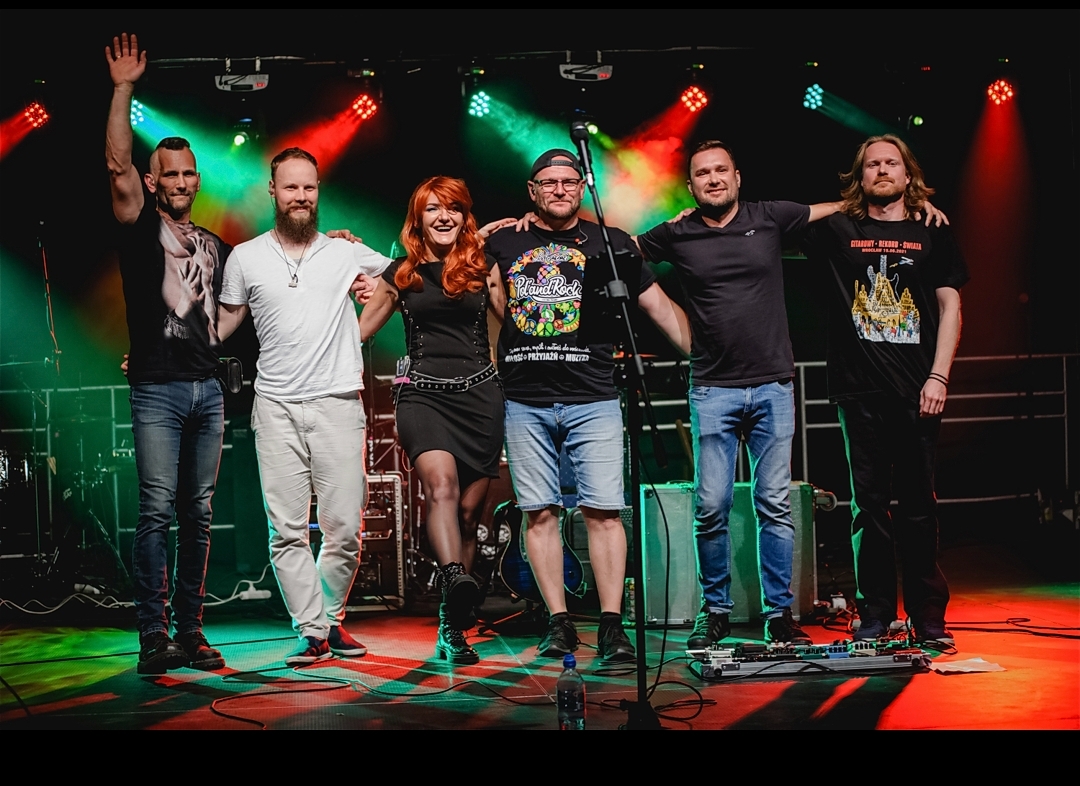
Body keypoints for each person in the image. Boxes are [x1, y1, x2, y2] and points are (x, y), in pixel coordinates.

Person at [636, 140, 852, 648]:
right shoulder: (677, 232)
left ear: (737, 177)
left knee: (773, 503)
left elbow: (837, 208)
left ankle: (779, 615)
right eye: (702, 174)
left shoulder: (769, 216)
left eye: (721, 171)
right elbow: (620, 249)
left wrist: (905, 204)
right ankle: (715, 611)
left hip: (773, 385)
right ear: (690, 186)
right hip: (712, 388)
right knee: (710, 506)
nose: (713, 179)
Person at [486, 149, 690, 663]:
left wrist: (704, 356)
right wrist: (482, 231)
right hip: (525, 399)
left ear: (582, 188)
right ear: (532, 190)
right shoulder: (503, 242)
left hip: (594, 397)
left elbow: (656, 304)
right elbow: (443, 263)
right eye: (548, 182)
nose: (559, 189)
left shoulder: (612, 242)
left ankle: (611, 626)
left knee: (604, 512)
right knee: (539, 513)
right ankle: (557, 622)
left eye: (568, 181)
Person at [217, 147, 391, 665]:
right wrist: (161, 352)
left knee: (345, 528)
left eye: (309, 187)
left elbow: (403, 280)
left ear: (318, 191)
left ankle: (329, 619)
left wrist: (365, 314)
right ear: (272, 192)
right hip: (275, 407)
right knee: (287, 531)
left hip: (338, 402)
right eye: (291, 187)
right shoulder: (245, 256)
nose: (301, 196)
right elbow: (222, 324)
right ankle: (313, 631)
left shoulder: (345, 252)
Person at [801, 135, 967, 650]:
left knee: (920, 506)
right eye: (871, 164)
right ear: (860, 175)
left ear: (908, 173)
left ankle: (928, 616)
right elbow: (782, 221)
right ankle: (874, 613)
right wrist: (845, 203)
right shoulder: (839, 229)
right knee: (867, 508)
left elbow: (951, 307)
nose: (881, 170)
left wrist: (939, 376)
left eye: (891, 163)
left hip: (919, 390)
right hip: (858, 390)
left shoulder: (932, 230)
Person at [106, 32, 228, 674]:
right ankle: (153, 636)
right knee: (156, 510)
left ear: (197, 179)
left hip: (209, 391)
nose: (179, 181)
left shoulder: (215, 245)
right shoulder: (139, 227)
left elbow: (233, 311)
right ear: (153, 181)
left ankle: (191, 631)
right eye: (169, 173)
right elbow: (116, 166)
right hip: (157, 388)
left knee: (198, 515)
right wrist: (124, 88)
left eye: (188, 173)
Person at [359, 177, 512, 664]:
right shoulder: (400, 273)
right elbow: (357, 332)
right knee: (441, 488)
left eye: (453, 208)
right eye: (432, 208)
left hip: (481, 398)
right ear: (418, 218)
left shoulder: (483, 267)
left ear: (464, 216)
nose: (443, 216)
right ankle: (453, 578)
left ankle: (451, 625)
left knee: (468, 516)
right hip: (422, 397)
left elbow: (514, 323)